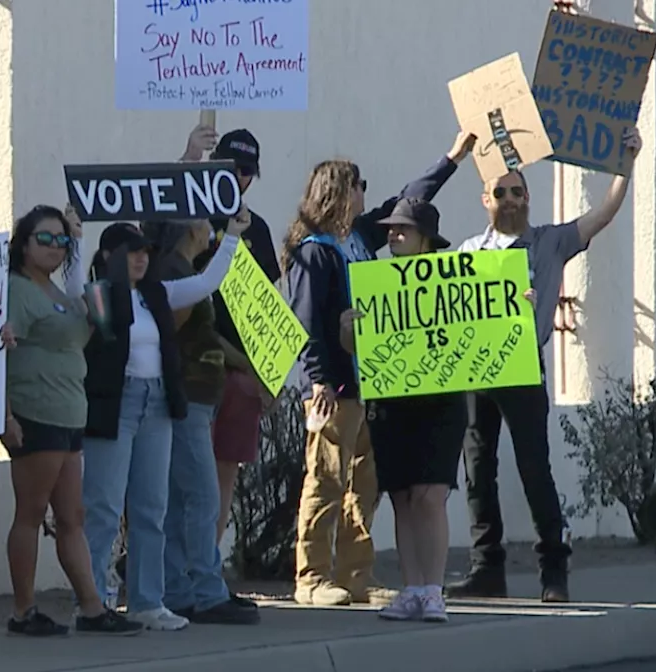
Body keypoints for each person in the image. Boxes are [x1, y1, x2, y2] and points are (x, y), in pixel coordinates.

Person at [447, 126, 643, 603]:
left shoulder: (550, 243)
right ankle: (485, 568)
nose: (510, 200)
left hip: (523, 371)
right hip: (476, 374)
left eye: (517, 191)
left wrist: (626, 165)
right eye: (501, 193)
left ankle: (554, 571)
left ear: (527, 197)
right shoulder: (468, 253)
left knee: (536, 469)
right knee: (478, 471)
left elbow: (602, 215)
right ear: (485, 200)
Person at [282, 131, 475, 607]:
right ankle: (311, 577)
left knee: (363, 486)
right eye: (359, 184)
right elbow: (305, 322)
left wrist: (451, 158)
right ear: (340, 192)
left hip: (373, 385)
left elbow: (410, 198)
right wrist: (318, 380)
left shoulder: (360, 240)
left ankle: (354, 574)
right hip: (336, 387)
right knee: (326, 479)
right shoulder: (315, 252)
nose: (366, 192)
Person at [341, 198, 536, 623]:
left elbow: (492, 317)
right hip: (391, 403)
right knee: (403, 497)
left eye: (402, 230)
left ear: (425, 239)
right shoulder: (376, 284)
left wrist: (519, 306)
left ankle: (432, 589)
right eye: (391, 230)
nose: (392, 236)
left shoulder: (454, 281)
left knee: (430, 495)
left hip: (441, 404)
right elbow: (355, 348)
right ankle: (411, 588)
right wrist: (348, 331)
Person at [81, 215, 248, 631]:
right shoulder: (99, 294)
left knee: (151, 507)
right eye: (131, 252)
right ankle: (93, 601)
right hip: (116, 403)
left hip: (156, 403)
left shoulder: (156, 293)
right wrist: (70, 239)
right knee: (103, 506)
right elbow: (79, 299)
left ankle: (146, 601)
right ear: (108, 256)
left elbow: (205, 283)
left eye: (144, 252)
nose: (140, 259)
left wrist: (233, 238)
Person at [0, 205, 143, 638]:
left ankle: (92, 607)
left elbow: (89, 314)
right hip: (35, 413)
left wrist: (78, 243)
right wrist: (3, 416)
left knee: (72, 516)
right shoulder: (16, 289)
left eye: (60, 241)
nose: (54, 248)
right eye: (44, 238)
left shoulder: (59, 291)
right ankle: (24, 611)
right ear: (23, 244)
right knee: (30, 512)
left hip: (69, 416)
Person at [147, 218, 260, 626]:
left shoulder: (179, 269)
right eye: (200, 222)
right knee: (202, 495)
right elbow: (169, 331)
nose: (207, 226)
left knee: (183, 498)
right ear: (189, 230)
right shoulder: (173, 272)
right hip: (187, 397)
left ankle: (179, 588)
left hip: (197, 397)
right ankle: (207, 590)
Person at [181, 125, 281, 547]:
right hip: (195, 365)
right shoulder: (192, 215)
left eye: (248, 171)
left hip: (241, 376)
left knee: (224, 473)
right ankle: (181, 567)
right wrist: (190, 155)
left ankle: (209, 563)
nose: (240, 177)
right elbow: (162, 205)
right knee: (189, 473)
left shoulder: (255, 227)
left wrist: (270, 376)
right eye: (234, 167)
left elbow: (271, 309)